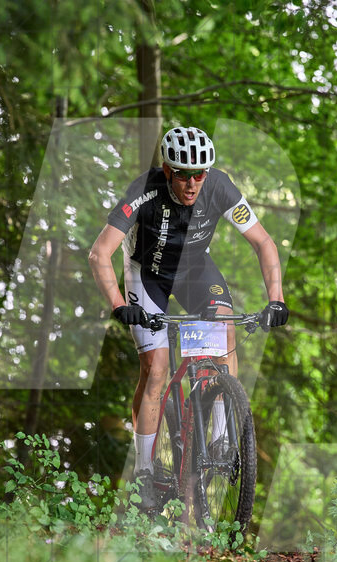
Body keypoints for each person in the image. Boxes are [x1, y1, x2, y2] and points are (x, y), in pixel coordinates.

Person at [89, 126, 288, 510]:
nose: (193, 183)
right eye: (183, 174)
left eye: (200, 174)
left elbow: (264, 242)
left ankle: (222, 439)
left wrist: (276, 300)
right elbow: (100, 253)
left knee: (225, 330)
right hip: (147, 274)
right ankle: (145, 472)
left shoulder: (220, 187)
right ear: (167, 171)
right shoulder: (144, 189)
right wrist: (119, 304)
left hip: (196, 269)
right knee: (157, 368)